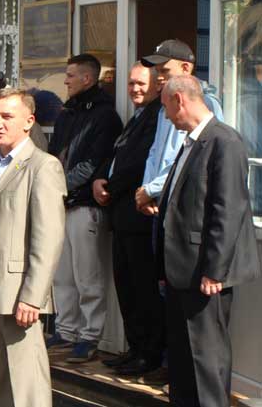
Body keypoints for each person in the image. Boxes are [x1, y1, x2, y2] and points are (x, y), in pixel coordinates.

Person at [157, 75, 261, 407]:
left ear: (179, 100)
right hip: (180, 270)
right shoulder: (192, 142)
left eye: (165, 107)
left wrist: (214, 271)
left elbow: (227, 210)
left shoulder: (224, 142)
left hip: (204, 273)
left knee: (206, 360)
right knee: (183, 361)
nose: (166, 116)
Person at [0, 88, 66, 407]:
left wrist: (33, 296)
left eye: (7, 116)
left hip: (19, 292)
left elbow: (47, 238)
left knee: (26, 383)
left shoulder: (42, 166)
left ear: (29, 121)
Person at [47, 54, 123, 362]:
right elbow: (55, 155)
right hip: (61, 203)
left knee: (87, 275)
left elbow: (92, 164)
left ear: (87, 79)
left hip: (84, 205)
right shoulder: (68, 112)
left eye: (70, 75)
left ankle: (90, 336)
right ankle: (66, 330)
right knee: (62, 274)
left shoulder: (105, 116)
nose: (65, 81)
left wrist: (58, 186)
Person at [93, 62, 164, 375]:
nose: (134, 89)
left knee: (143, 289)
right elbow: (116, 154)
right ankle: (135, 348)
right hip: (120, 216)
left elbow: (138, 163)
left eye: (140, 84)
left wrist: (111, 186)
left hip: (139, 217)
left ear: (157, 85)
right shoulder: (136, 116)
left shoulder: (158, 116)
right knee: (126, 287)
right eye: (131, 83)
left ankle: (149, 354)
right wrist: (99, 178)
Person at [135, 39, 224, 216]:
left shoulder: (204, 104)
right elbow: (155, 152)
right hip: (160, 200)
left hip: (186, 204)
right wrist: (147, 190)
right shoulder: (163, 108)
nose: (159, 77)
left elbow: (190, 156)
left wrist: (151, 190)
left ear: (185, 68)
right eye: (157, 71)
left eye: (165, 71)